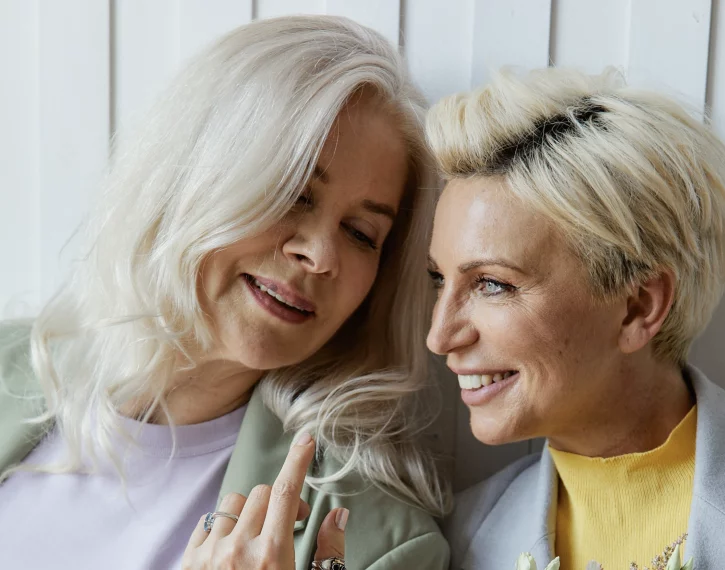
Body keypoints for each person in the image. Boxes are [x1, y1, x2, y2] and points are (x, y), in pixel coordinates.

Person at [0, 15, 449, 569]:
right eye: (295, 194)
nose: (322, 255)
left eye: (361, 234)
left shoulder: (377, 543)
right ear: (202, 175)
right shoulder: (9, 367)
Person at [423, 67, 725, 570]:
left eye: (492, 284)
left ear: (639, 307)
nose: (440, 336)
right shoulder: (462, 540)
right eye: (439, 279)